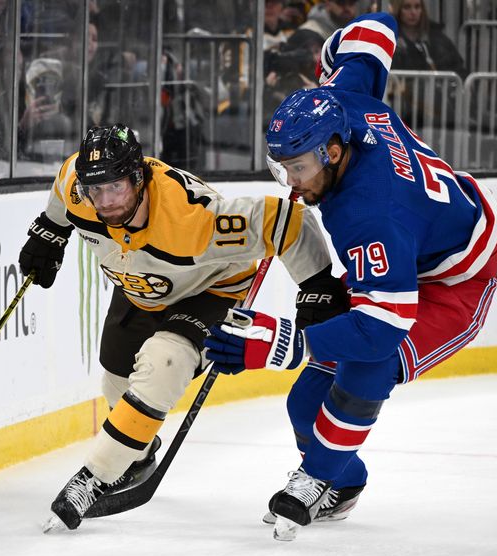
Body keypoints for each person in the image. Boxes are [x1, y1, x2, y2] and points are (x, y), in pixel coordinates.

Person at [204, 12, 497, 541]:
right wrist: (329, 65)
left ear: (334, 152)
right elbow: (376, 29)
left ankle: (317, 477)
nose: (290, 184)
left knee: (373, 364)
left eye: (297, 169)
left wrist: (284, 344)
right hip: (417, 237)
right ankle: (343, 481)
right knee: (304, 404)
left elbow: (383, 326)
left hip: (455, 278)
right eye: (281, 168)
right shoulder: (342, 102)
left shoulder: (371, 216)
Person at [19, 123, 350, 532]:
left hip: (210, 289)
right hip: (141, 286)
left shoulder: (195, 217)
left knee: (166, 362)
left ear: (138, 178)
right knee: (116, 385)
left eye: (116, 188)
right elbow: (64, 187)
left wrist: (317, 285)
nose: (104, 202)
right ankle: (137, 458)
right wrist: (51, 230)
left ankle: (93, 478)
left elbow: (286, 220)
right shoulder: (78, 183)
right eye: (96, 191)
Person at [389, 0, 467, 78]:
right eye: (407, 7)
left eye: (417, 7)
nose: (413, 12)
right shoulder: (389, 37)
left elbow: (457, 67)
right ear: (398, 9)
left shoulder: (437, 37)